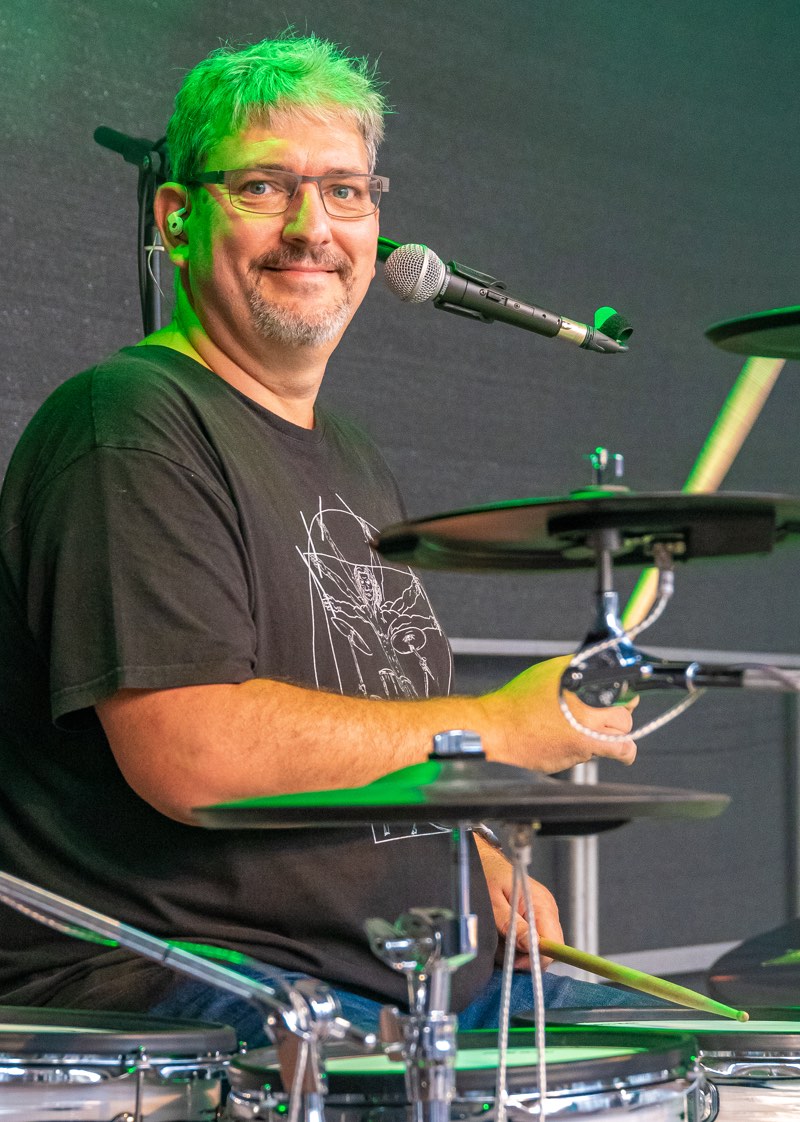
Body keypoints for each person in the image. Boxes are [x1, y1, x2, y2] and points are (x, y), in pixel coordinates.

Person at [0, 34, 642, 1042]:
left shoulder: (351, 459)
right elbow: (196, 751)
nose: (312, 229)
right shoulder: (127, 422)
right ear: (177, 218)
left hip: (403, 981)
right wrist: (496, 730)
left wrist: (466, 851)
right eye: (264, 187)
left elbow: (361, 724)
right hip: (208, 994)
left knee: (716, 1061)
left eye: (344, 192)